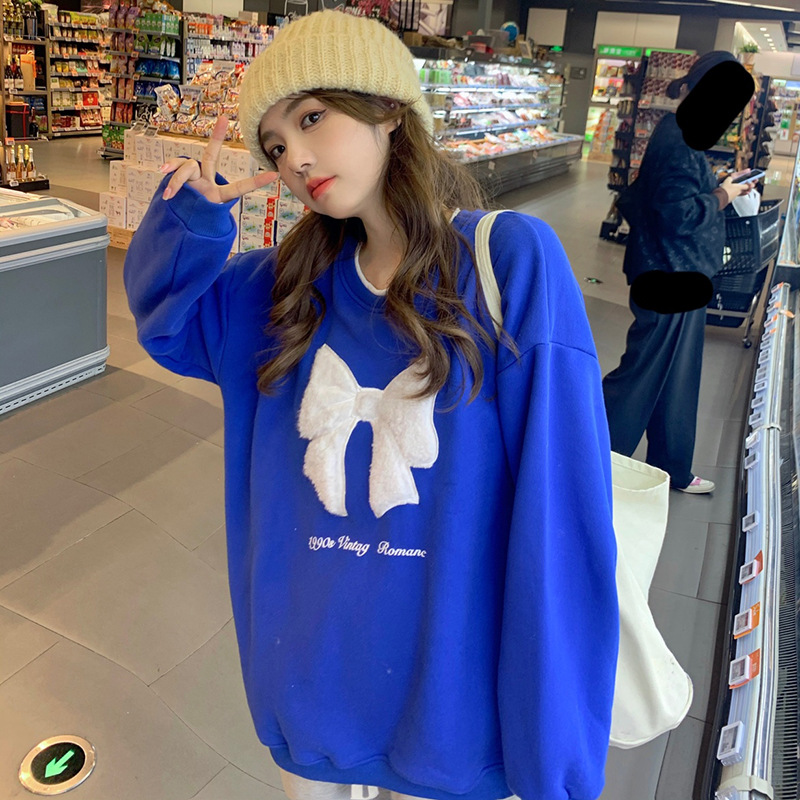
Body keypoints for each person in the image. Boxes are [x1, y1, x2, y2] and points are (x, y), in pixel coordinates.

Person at [124, 10, 618, 800]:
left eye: (312, 118)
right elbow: (168, 326)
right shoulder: (277, 292)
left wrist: (553, 757)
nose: (295, 159)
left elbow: (563, 519)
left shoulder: (505, 262)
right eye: (275, 146)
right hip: (309, 679)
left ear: (388, 109)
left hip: (453, 702)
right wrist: (192, 219)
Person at [603, 51, 757, 495]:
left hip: (681, 271)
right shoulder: (679, 141)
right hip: (668, 273)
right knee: (641, 376)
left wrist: (718, 185)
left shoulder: (681, 133)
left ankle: (673, 465)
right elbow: (677, 215)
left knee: (676, 377)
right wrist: (724, 196)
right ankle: (591, 458)